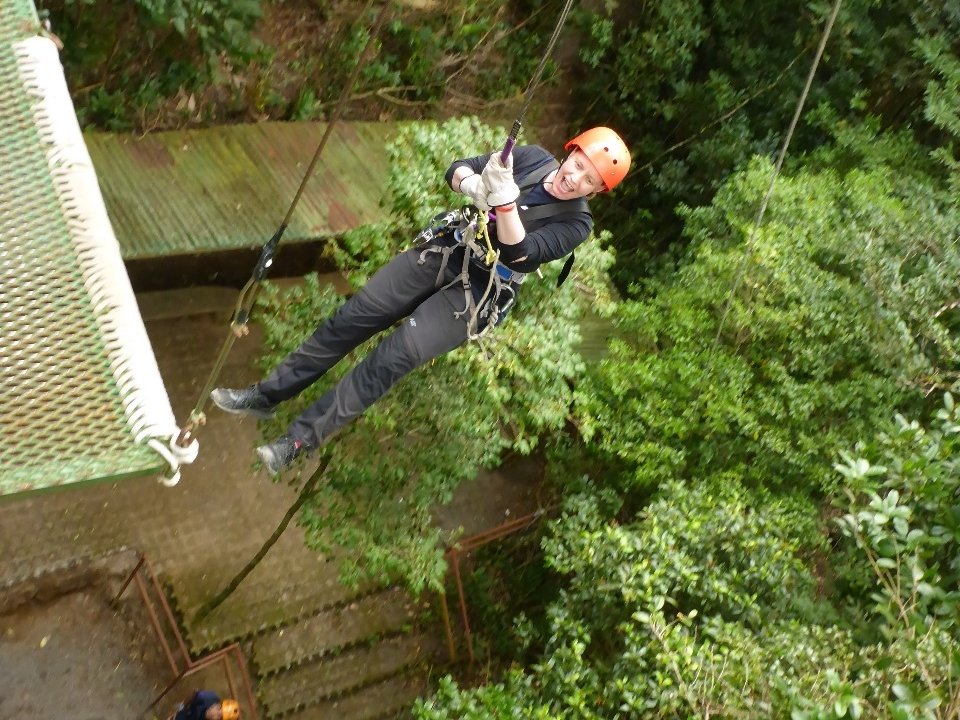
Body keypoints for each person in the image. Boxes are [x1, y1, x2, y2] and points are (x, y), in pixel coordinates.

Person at [211, 127, 631, 474]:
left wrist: (503, 202)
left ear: (594, 192)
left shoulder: (576, 223)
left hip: (477, 293)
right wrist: (473, 185)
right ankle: (267, 395)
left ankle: (296, 441)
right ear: (570, 152)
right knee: (354, 317)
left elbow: (519, 254)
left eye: (588, 180)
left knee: (394, 357)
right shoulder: (533, 157)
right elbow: (458, 167)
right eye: (578, 165)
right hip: (446, 251)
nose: (575, 178)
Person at [171, 690, 239, 720]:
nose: (214, 714)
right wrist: (183, 705)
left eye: (219, 717)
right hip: (187, 712)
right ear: (218, 705)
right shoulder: (207, 698)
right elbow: (192, 695)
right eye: (218, 709)